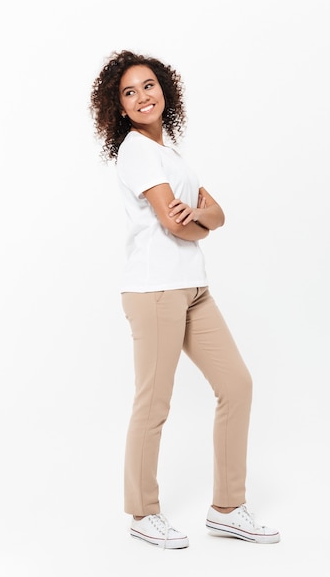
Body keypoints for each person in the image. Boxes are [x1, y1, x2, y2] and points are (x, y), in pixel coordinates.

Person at [89, 50, 280, 549]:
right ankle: (142, 513)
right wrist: (196, 220)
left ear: (164, 90)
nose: (142, 96)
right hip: (155, 291)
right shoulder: (135, 151)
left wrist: (197, 218)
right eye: (129, 93)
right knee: (153, 403)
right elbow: (181, 223)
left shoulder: (170, 154)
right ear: (121, 108)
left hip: (193, 289)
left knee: (236, 385)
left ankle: (227, 507)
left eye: (148, 85)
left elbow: (217, 216)